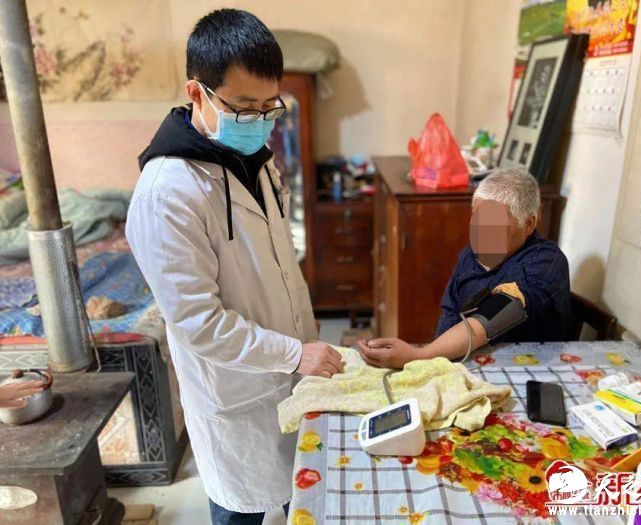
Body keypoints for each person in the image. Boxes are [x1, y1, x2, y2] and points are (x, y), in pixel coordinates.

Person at [125, 9, 343, 524]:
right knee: (239, 511)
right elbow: (198, 324)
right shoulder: (167, 194)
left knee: (300, 499)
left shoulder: (256, 160)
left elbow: (279, 261)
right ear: (197, 93)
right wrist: (294, 353)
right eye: (244, 107)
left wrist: (302, 335)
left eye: (270, 105)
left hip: (290, 375)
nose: (261, 120)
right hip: (236, 398)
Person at [358, 169, 571, 369]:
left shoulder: (546, 262)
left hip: (531, 371)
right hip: (473, 365)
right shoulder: (470, 255)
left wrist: (419, 355)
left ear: (528, 224)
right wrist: (431, 361)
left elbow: (496, 313)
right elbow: (451, 315)